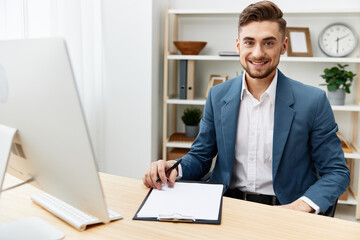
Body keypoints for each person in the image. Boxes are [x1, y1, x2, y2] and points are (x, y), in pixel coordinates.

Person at [143, 1, 350, 215]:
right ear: (238, 45)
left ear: (284, 45)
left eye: (269, 43)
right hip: (226, 207)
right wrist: (174, 167)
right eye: (249, 42)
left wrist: (300, 206)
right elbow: (201, 156)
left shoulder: (313, 101)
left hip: (286, 210)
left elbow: (336, 172)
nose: (258, 53)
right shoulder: (218, 95)